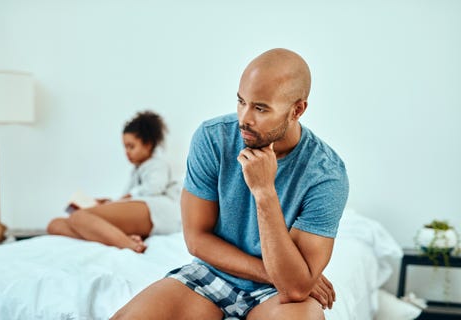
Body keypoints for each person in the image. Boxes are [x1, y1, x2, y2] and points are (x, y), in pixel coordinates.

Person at [111, 48, 349, 319]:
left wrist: (264, 193)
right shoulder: (213, 139)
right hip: (213, 273)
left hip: (278, 297)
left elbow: (294, 289)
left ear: (297, 110)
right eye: (241, 101)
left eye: (260, 108)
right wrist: (277, 275)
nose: (244, 118)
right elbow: (197, 239)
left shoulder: (326, 174)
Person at [47, 111, 181, 253]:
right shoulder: (136, 170)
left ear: (148, 145)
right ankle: (118, 237)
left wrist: (124, 198)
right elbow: (128, 197)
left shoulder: (157, 164)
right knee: (55, 225)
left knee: (78, 217)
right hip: (141, 209)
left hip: (159, 210)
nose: (127, 152)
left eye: (131, 146)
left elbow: (154, 188)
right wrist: (108, 202)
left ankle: (130, 245)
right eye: (125, 147)